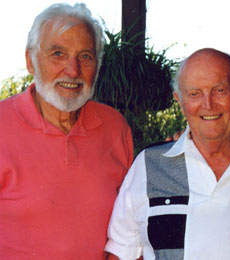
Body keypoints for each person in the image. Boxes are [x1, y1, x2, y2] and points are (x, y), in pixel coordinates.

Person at [105, 48, 230, 260]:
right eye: (194, 94)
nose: (208, 104)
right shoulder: (148, 165)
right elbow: (121, 252)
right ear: (180, 102)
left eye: (220, 90)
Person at [0, 3, 134, 259]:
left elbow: (130, 225)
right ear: (31, 61)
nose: (73, 71)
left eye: (85, 56)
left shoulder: (115, 127)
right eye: (58, 54)